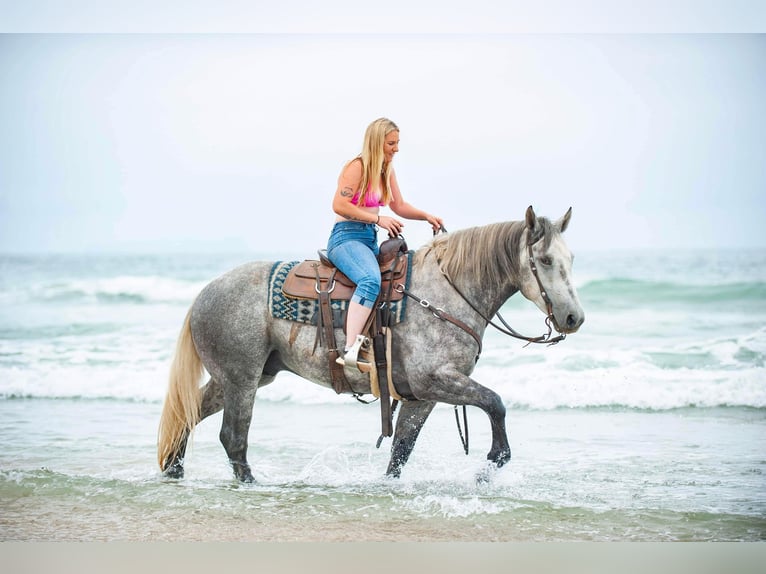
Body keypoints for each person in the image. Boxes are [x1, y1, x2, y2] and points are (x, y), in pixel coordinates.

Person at [326, 117, 443, 370]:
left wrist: (426, 216)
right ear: (377, 142)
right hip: (346, 237)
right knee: (370, 280)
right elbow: (339, 204)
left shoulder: (386, 170)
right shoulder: (356, 167)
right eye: (391, 143)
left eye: (398, 143)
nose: (396, 148)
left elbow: (398, 206)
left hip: (368, 238)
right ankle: (349, 350)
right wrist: (377, 218)